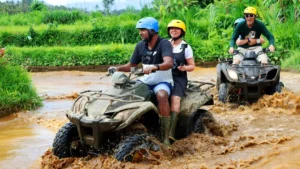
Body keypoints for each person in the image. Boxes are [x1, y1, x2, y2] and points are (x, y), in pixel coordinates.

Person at [109, 17, 174, 146]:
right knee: (126, 92)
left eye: (143, 30)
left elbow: (169, 63)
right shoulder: (140, 46)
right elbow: (131, 66)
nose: (140, 33)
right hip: (145, 81)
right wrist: (117, 68)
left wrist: (155, 67)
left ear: (152, 30)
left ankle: (165, 136)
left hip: (162, 82)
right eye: (139, 30)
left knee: (161, 95)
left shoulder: (164, 43)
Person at [167, 20, 195, 142]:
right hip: (163, 76)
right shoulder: (164, 44)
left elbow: (192, 66)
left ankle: (171, 132)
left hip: (178, 77)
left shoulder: (186, 47)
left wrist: (184, 68)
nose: (174, 30)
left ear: (182, 31)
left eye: (176, 29)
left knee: (175, 98)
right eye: (171, 28)